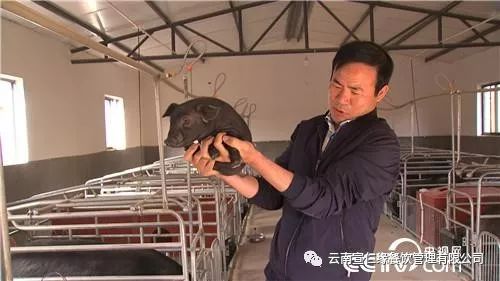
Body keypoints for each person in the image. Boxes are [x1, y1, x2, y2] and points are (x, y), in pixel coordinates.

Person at [184, 41, 400, 281]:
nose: (342, 98)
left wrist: (253, 157)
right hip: (281, 271)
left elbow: (323, 200)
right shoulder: (309, 130)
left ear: (380, 93)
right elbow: (273, 194)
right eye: (336, 84)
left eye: (355, 90)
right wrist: (223, 171)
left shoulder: (380, 146)